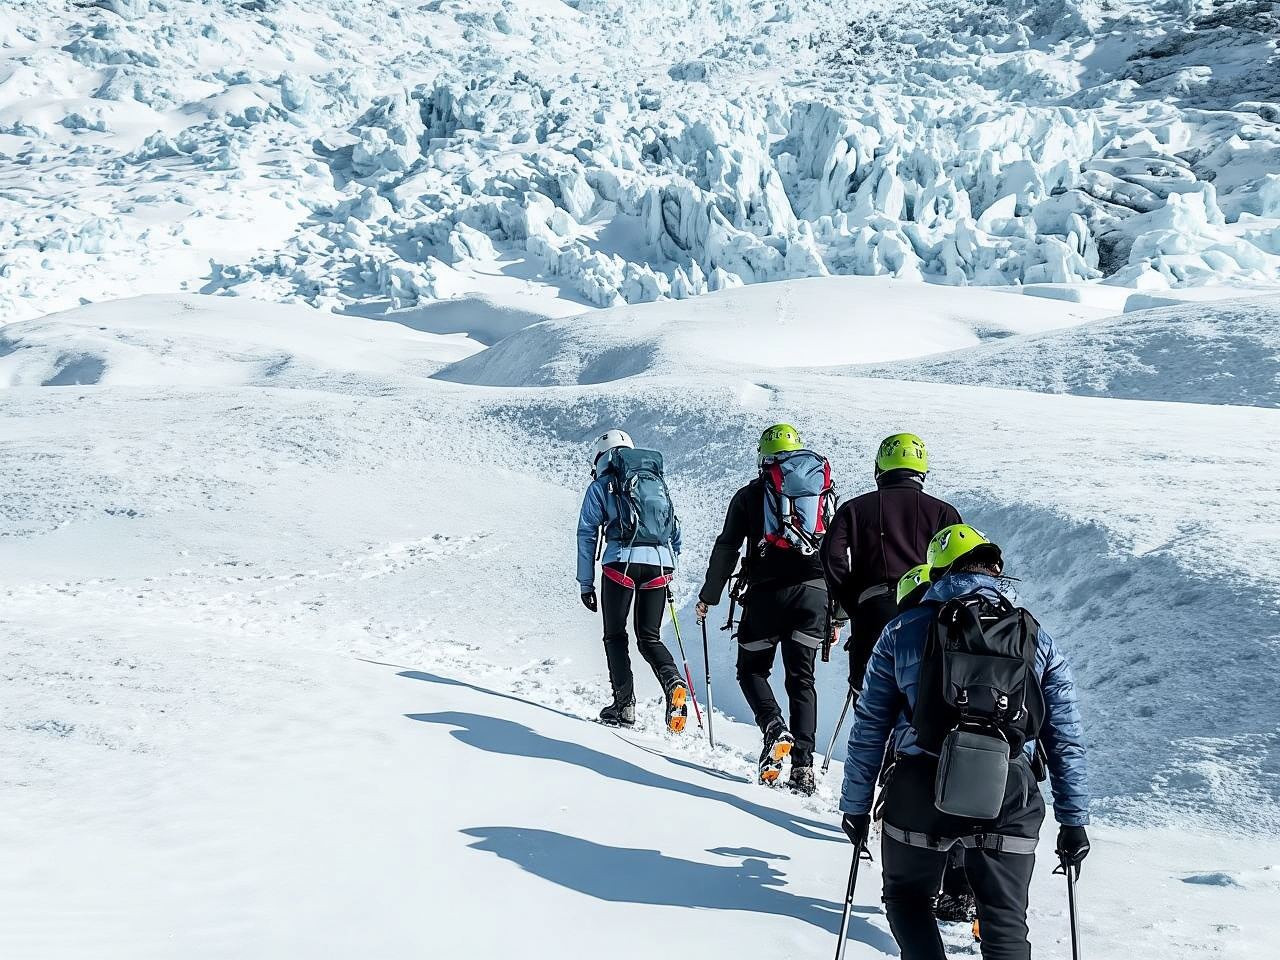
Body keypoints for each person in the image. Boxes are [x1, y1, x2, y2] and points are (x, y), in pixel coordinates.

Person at [839, 524, 1090, 960]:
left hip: (919, 787)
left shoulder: (902, 631)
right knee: (1004, 920)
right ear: (996, 572)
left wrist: (856, 806)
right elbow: (1065, 735)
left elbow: (869, 727)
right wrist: (1073, 820)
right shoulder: (1036, 638)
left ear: (938, 574)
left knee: (907, 899)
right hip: (1008, 791)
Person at [695, 424, 837, 795]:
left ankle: (773, 726)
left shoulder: (749, 495)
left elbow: (727, 548)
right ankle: (803, 768)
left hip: (766, 596)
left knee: (752, 670)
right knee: (802, 680)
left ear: (763, 458)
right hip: (815, 593)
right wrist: (836, 613)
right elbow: (835, 553)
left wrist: (709, 596)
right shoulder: (820, 492)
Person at [821, 433, 962, 697]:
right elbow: (958, 566)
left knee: (869, 697)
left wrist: (854, 603)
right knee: (925, 697)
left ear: (880, 467)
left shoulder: (854, 509)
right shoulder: (945, 513)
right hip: (927, 614)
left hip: (873, 611)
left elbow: (832, 556)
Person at [577, 429, 689, 733]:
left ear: (600, 459)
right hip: (659, 566)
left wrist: (586, 583)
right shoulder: (654, 482)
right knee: (649, 637)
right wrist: (669, 565)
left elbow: (587, 534)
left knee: (615, 635)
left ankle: (623, 705)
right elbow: (674, 531)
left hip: (620, 564)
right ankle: (673, 682)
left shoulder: (602, 485)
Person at [895, 563, 976, 926]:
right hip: (991, 757)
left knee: (907, 894)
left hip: (921, 759)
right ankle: (972, 895)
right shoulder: (981, 627)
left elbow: (884, 717)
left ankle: (948, 894)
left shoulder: (905, 635)